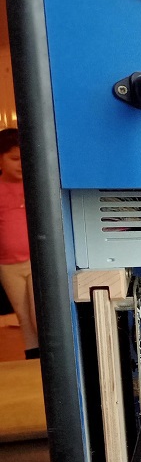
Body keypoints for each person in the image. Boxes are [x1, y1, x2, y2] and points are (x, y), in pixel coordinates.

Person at [0, 128, 38, 360]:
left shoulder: (34, 186)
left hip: (35, 260)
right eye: (14, 159)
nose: (21, 164)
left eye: (24, 158)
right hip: (8, 266)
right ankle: (33, 359)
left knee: (38, 313)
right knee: (23, 317)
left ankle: (49, 359)